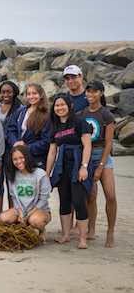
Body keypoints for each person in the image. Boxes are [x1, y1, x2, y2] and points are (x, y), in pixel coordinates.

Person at [46, 93, 93, 249]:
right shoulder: (55, 125)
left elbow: (87, 145)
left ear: (70, 106)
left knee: (79, 202)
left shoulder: (79, 122)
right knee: (64, 200)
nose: (59, 108)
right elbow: (52, 152)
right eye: (57, 105)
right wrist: (47, 173)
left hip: (78, 165)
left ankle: (82, 239)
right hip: (62, 168)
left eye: (62, 105)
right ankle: (65, 235)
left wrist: (84, 167)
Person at [78, 80, 116, 247]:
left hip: (102, 155)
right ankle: (91, 230)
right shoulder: (81, 114)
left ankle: (110, 231)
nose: (90, 95)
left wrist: (100, 166)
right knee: (90, 196)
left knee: (111, 195)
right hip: (86, 155)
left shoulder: (107, 115)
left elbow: (109, 144)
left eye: (94, 91)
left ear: (101, 93)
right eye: (88, 91)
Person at [0, 146, 51, 243]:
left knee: (35, 221)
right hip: (21, 210)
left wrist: (29, 214)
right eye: (15, 159)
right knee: (2, 218)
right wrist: (21, 213)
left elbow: (43, 199)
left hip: (39, 210)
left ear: (27, 157)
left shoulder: (40, 174)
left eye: (21, 157)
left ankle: (42, 231)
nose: (19, 161)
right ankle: (21, 226)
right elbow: (13, 197)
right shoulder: (12, 175)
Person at [0, 81, 23, 209]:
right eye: (3, 92)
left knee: (11, 180)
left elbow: (20, 129)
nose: (5, 95)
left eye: (9, 92)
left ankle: (12, 211)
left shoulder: (20, 109)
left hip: (11, 149)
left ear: (14, 92)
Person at [6, 83, 51, 169]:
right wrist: (15, 143)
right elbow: (11, 129)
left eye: (34, 93)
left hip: (36, 159)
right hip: (18, 158)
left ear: (41, 95)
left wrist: (25, 148)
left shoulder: (46, 116)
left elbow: (45, 142)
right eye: (29, 94)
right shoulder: (20, 111)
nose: (31, 96)